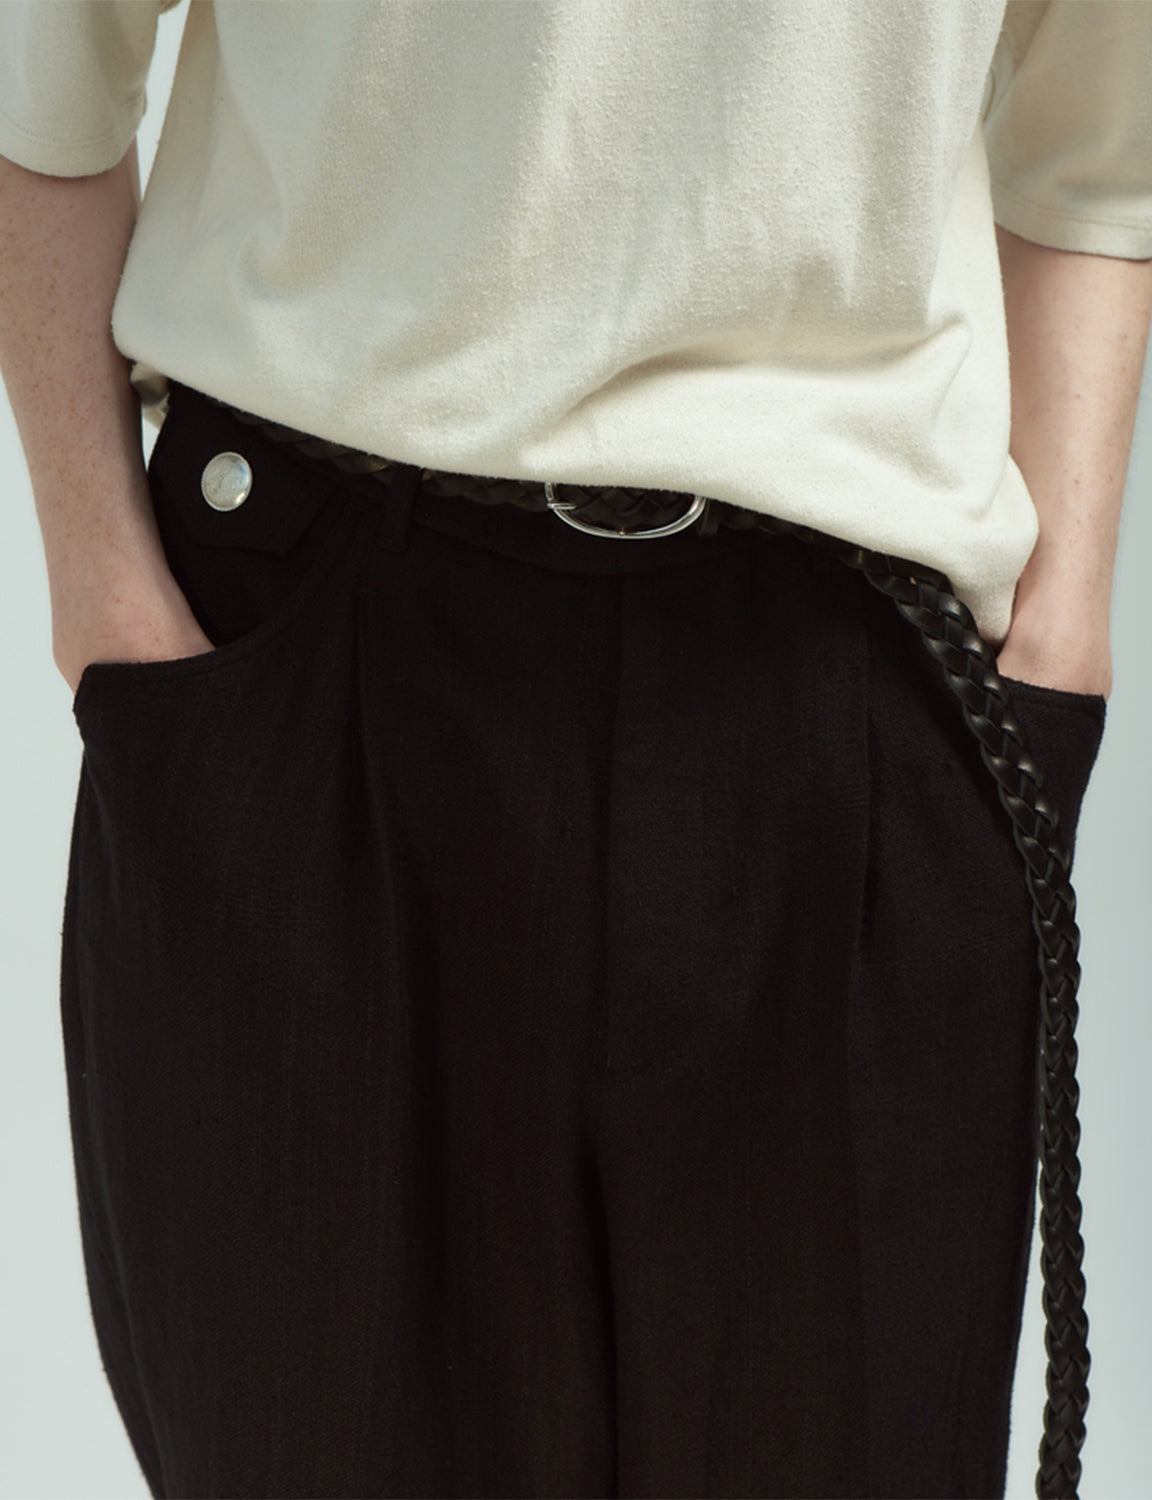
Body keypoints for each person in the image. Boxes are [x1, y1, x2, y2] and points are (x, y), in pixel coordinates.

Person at [0, 3, 1149, 1497]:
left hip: (857, 694)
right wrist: (103, 590)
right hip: (314, 667)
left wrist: (1063, 629)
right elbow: (36, 69)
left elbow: (1101, 148)